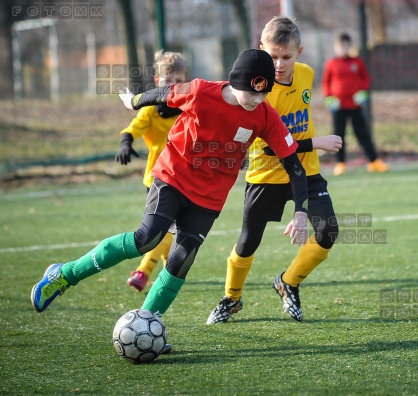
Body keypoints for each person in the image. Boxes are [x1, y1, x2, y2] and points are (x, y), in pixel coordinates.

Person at [31, 49, 310, 348]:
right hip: (172, 176)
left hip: (209, 198)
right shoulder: (201, 92)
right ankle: (64, 275)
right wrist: (133, 102)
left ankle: (145, 324)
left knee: (181, 260)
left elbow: (293, 162)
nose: (258, 100)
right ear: (236, 82)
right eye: (252, 93)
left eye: (265, 94)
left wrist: (301, 211)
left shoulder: (265, 115)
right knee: (147, 239)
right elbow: (164, 93)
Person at [207, 16, 342, 324]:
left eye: (286, 57)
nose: (279, 64)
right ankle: (232, 298)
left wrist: (309, 147)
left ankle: (288, 282)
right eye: (273, 56)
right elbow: (270, 147)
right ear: (261, 49)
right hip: (266, 174)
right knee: (247, 242)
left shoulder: (306, 75)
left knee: (327, 230)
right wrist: (317, 142)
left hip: (305, 173)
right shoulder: (260, 92)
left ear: (300, 52)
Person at [115, 50, 188, 292]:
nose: (173, 86)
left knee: (169, 228)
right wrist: (126, 143)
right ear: (158, 82)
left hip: (186, 179)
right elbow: (131, 130)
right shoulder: (150, 110)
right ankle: (144, 271)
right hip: (157, 180)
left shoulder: (189, 111)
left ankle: (160, 267)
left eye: (178, 82)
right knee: (166, 228)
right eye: (168, 81)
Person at [321, 32, 389, 176]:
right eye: (340, 46)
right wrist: (329, 98)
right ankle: (340, 163)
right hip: (338, 107)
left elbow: (365, 78)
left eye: (345, 46)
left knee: (362, 133)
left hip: (355, 106)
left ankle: (374, 161)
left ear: (349, 46)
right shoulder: (331, 64)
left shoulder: (357, 62)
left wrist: (363, 92)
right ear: (335, 47)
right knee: (339, 135)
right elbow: (326, 83)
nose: (343, 49)